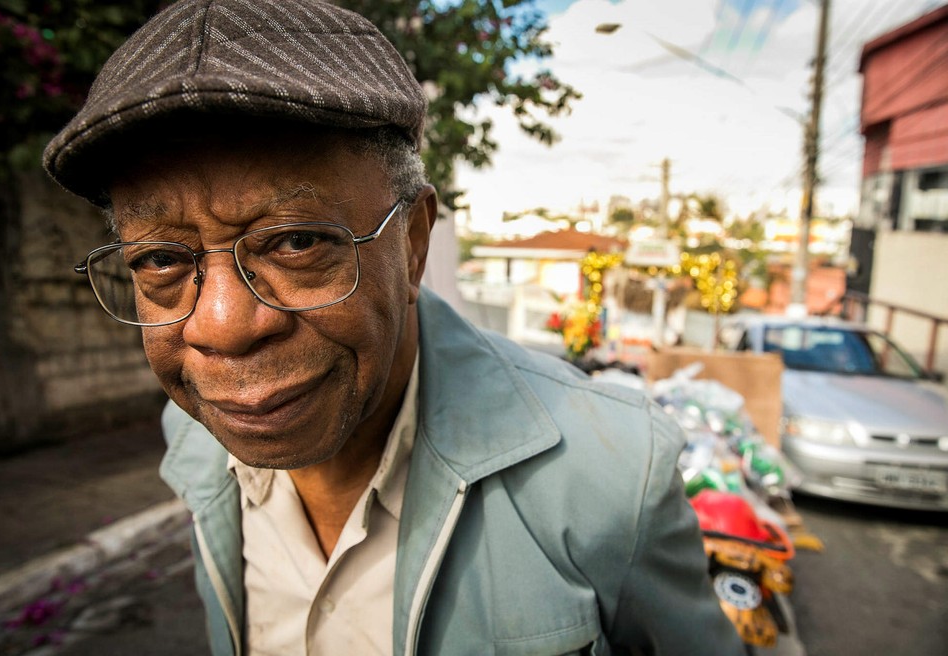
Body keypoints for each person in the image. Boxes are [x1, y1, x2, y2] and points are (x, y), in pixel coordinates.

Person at [44, 1, 745, 654]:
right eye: (162, 259)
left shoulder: (611, 474)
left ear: (413, 242)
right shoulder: (197, 440)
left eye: (296, 243)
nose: (224, 327)